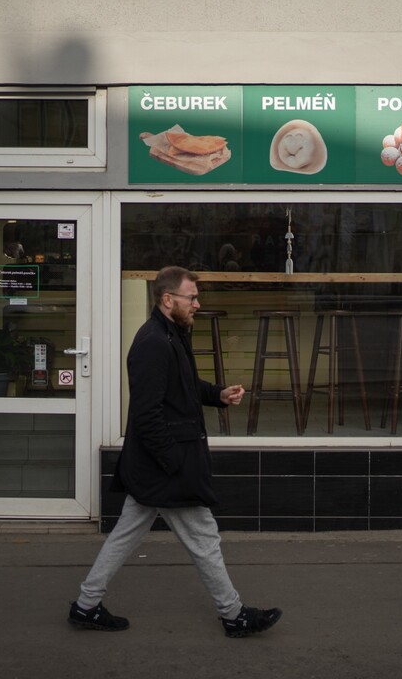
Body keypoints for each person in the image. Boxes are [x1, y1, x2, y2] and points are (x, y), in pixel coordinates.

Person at [69, 266, 282, 639]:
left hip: (157, 464)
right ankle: (233, 615)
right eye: (192, 298)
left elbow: (181, 387)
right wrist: (174, 463)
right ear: (168, 300)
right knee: (204, 536)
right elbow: (146, 414)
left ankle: (86, 605)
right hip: (165, 464)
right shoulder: (153, 342)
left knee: (126, 534)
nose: (198, 304)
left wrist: (216, 394)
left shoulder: (171, 335)